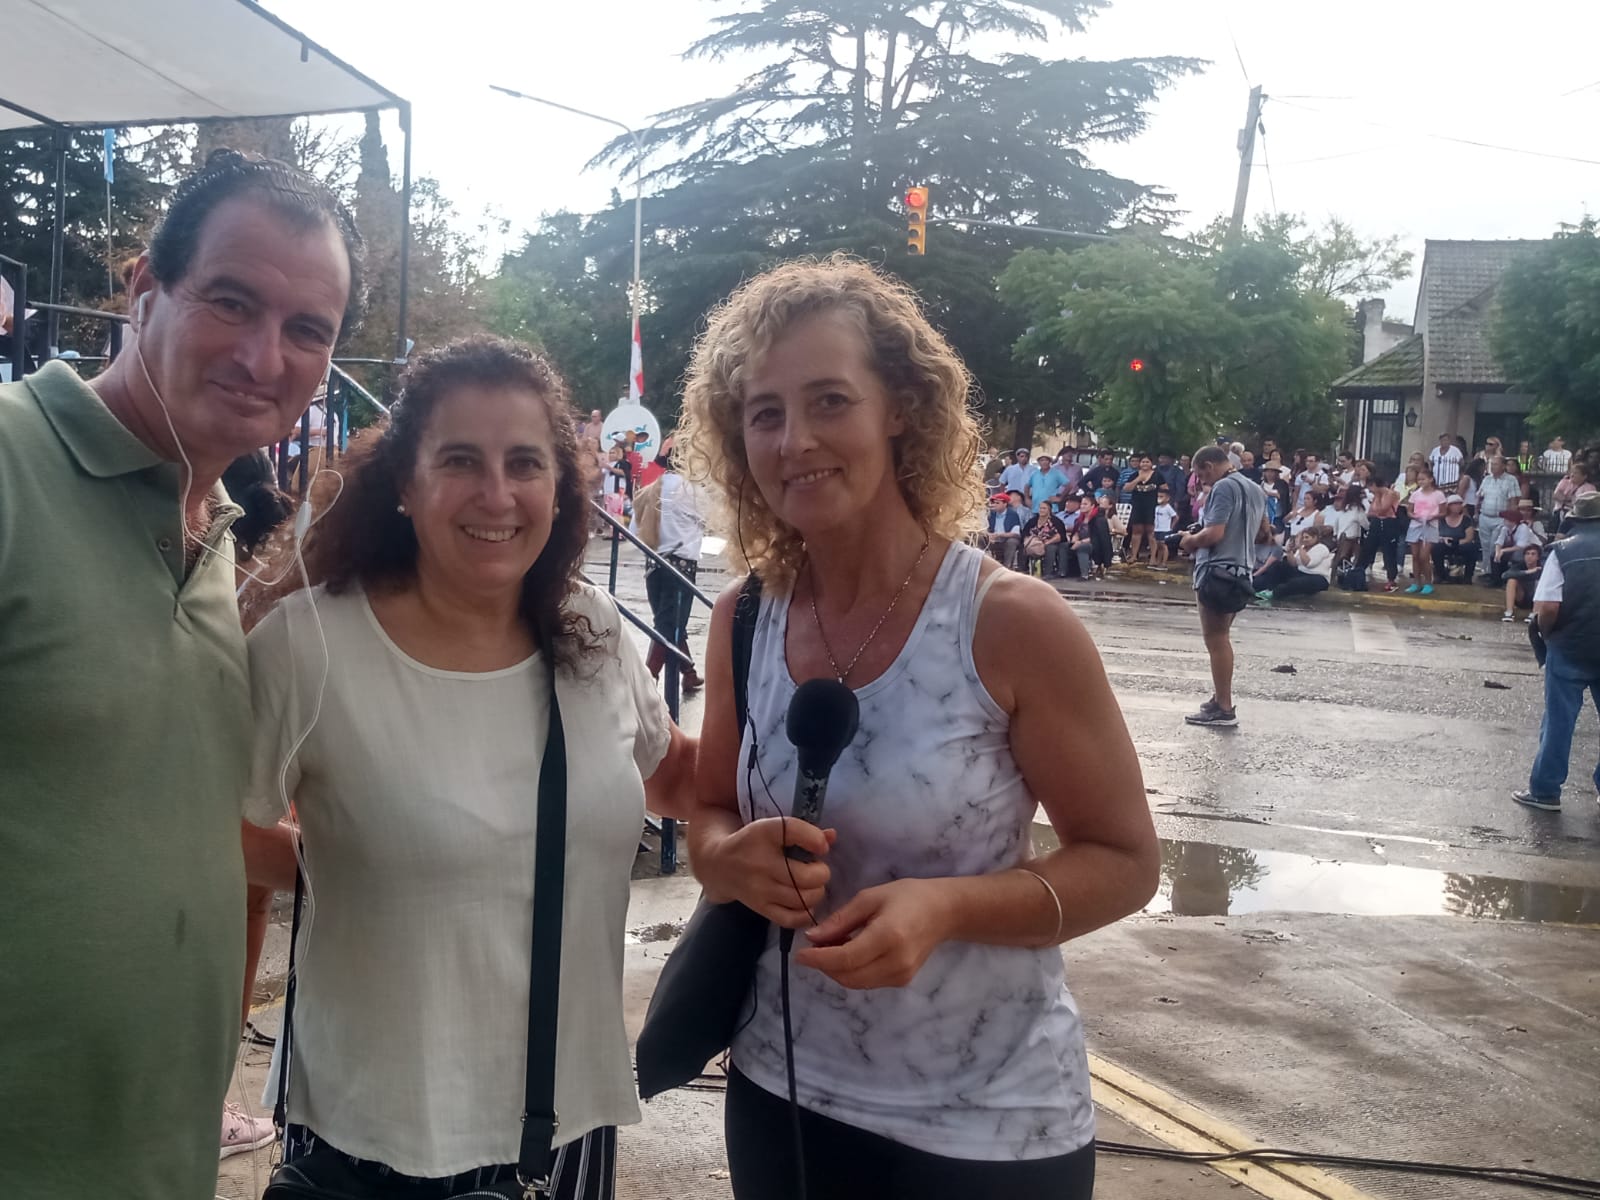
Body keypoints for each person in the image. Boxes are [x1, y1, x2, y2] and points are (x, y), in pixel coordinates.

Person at [677, 255, 1157, 1200]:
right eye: (765, 413)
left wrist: (947, 909)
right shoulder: (743, 617)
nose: (794, 440)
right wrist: (725, 859)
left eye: (829, 401)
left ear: (900, 407)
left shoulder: (1010, 621)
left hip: (989, 1126)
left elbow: (1126, 862)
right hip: (780, 1097)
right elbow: (709, 811)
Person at [243, 337, 698, 1195]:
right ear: (405, 485)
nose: (496, 493)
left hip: (563, 1126)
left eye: (524, 463)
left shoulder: (592, 629)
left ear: (558, 486)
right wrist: (333, 865)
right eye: (460, 461)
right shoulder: (311, 645)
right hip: (371, 1134)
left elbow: (670, 770)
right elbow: (204, 823)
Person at [0, 149, 361, 1200]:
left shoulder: (217, 536)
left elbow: (144, 809)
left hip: (155, 1154)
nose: (262, 356)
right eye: (231, 301)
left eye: (307, 329)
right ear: (144, 289)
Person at [1512, 492, 1600, 810]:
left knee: (1559, 722)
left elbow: (1548, 607)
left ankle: (1546, 791)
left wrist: (1547, 635)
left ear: (1575, 520)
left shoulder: (1562, 553)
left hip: (1570, 646)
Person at [1180, 445, 1266, 728]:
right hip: (1242, 570)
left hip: (1217, 571)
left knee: (1216, 640)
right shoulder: (1255, 488)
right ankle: (1219, 697)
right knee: (1222, 636)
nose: (1201, 480)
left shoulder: (1223, 487)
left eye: (1200, 474)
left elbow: (1215, 533)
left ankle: (1224, 708)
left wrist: (1189, 541)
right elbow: (1263, 531)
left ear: (1208, 465)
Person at [645, 440, 707, 691]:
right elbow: (711, 518)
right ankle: (648, 679)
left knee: (668, 622)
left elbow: (636, 527)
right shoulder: (691, 490)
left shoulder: (652, 488)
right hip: (681, 566)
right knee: (669, 624)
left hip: (653, 564)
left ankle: (688, 671)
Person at [1252, 527, 1333, 603]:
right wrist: (1289, 551)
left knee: (1296, 583)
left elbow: (1309, 564)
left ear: (1315, 537)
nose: (1304, 540)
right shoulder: (1303, 548)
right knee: (1279, 566)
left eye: (1307, 537)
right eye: (1303, 538)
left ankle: (1275, 593)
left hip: (1318, 577)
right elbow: (1293, 564)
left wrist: (1300, 548)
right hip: (1301, 572)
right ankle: (1263, 587)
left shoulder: (1321, 548)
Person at [1360, 470, 1405, 592]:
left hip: (1389, 523)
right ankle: (1359, 572)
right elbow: (1371, 512)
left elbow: (1383, 509)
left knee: (1389, 551)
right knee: (1368, 548)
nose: (1370, 490)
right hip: (1377, 522)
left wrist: (1378, 499)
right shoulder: (1376, 495)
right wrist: (1375, 509)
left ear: (1375, 485)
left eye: (1371, 487)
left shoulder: (1390, 494)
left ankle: (1391, 578)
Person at [1404, 467, 1444, 595]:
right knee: (1415, 555)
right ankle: (1416, 582)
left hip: (1430, 526)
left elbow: (1443, 512)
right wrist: (1414, 516)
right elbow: (1409, 511)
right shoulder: (1415, 494)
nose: (1421, 482)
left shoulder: (1438, 495)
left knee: (1424, 556)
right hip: (1416, 525)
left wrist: (1433, 516)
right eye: (1419, 479)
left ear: (1430, 479)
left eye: (1423, 479)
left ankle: (1428, 582)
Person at [1476, 455, 1519, 570]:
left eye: (1495, 464)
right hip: (1485, 516)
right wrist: (1476, 513)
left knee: (1494, 546)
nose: (1492, 467)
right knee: (1485, 546)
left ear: (1503, 466)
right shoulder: (1487, 479)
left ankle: (1493, 572)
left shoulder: (1511, 480)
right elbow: (1479, 497)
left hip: (1500, 519)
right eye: (1491, 464)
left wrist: (1511, 518)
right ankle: (1486, 570)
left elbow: (1513, 500)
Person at [1435, 493, 1480, 582]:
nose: (1458, 506)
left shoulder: (1466, 520)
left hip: (1461, 543)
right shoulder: (1441, 519)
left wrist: (1457, 542)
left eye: (1459, 504)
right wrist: (1444, 539)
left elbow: (1469, 537)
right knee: (1436, 548)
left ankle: (1468, 576)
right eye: (1455, 504)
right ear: (1448, 506)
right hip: (1444, 543)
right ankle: (1440, 575)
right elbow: (1435, 534)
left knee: (1472, 548)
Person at [1125, 453, 1160, 565]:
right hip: (1137, 505)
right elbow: (1126, 488)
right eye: (1143, 462)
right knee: (1136, 531)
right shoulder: (1134, 475)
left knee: (1151, 532)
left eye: (1147, 462)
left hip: (1152, 506)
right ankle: (1134, 555)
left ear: (1151, 463)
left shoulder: (1157, 475)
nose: (1145, 464)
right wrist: (1138, 479)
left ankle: (1153, 557)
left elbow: (1165, 489)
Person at [1068, 492, 1110, 580]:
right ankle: (1063, 572)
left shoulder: (1099, 520)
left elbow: (1098, 538)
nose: (1082, 506)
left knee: (1082, 547)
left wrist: (1080, 542)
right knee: (1063, 546)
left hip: (1094, 545)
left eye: (1085, 504)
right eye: (1081, 504)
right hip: (1080, 541)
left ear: (1092, 506)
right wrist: (1075, 536)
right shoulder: (1080, 519)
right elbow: (1077, 531)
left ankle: (1084, 575)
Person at [1022, 501, 1068, 577]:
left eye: (1044, 508)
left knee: (1050, 548)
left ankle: (1048, 572)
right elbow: (1025, 533)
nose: (1041, 510)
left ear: (1049, 510)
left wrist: (1047, 542)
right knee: (1023, 546)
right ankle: (1024, 568)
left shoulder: (1056, 521)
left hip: (1052, 542)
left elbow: (1061, 536)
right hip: (1034, 542)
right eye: (1040, 508)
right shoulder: (1033, 521)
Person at [1501, 544, 1544, 622]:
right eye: (1527, 554)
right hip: (1521, 597)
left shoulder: (1542, 568)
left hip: (1537, 600)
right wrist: (1526, 572)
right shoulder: (1520, 565)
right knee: (1512, 580)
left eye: (1533, 554)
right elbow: (1504, 575)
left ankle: (1534, 613)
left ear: (1538, 557)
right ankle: (1509, 613)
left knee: (1540, 582)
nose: (1529, 556)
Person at [983, 490, 1023, 568]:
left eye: (997, 503)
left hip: (1006, 540)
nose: (994, 505)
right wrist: (988, 535)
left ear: (1005, 504)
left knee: (1012, 541)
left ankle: (1007, 566)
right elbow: (984, 528)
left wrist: (999, 535)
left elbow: (1016, 533)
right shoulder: (990, 514)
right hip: (992, 540)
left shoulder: (1013, 515)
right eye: (993, 503)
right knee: (979, 538)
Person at [1026, 451, 1068, 517]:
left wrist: (1060, 498)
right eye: (1042, 460)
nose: (1044, 462)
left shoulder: (1056, 473)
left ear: (1050, 462)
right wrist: (1027, 499)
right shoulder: (1034, 474)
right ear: (1039, 462)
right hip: (1036, 507)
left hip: (1051, 508)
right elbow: (1027, 486)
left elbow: (1069, 485)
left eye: (1046, 460)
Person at [1152, 486, 1179, 567]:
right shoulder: (1157, 507)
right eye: (1158, 496)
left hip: (1165, 530)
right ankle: (1158, 561)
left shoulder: (1168, 508)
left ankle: (1164, 563)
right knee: (1159, 546)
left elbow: (1176, 517)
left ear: (1167, 498)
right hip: (1157, 529)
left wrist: (1171, 527)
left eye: (1161, 496)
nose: (1159, 498)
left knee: (1164, 546)